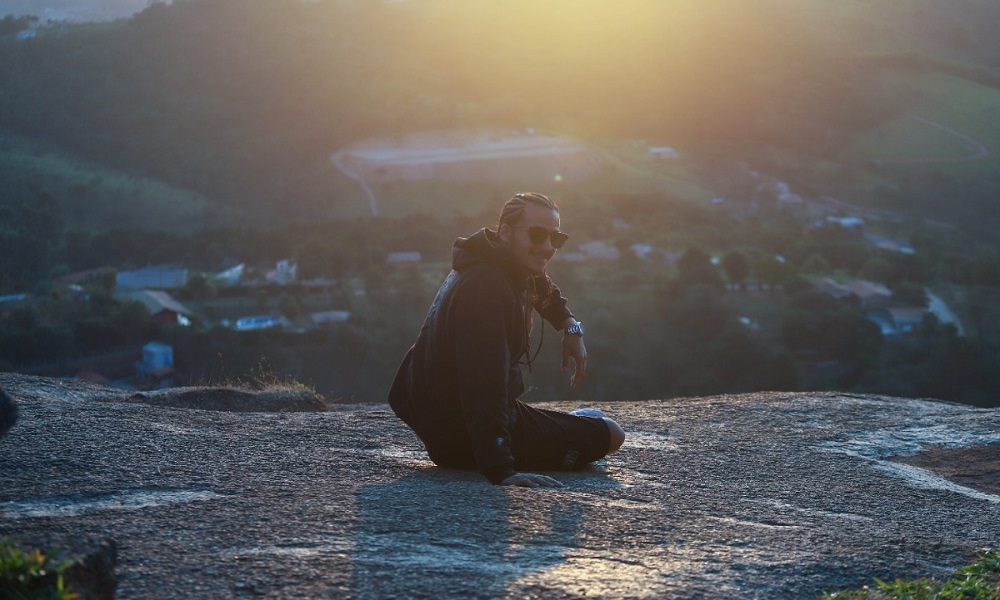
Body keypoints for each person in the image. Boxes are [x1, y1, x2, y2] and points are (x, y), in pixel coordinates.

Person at [388, 192, 626, 487]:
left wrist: (570, 327)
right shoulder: (487, 289)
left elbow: (542, 286)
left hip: (449, 424)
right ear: (505, 232)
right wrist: (501, 470)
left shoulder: (491, 260)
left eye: (556, 238)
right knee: (612, 433)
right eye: (538, 235)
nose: (547, 247)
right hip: (467, 437)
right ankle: (573, 429)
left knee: (592, 422)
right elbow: (483, 386)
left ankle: (570, 427)